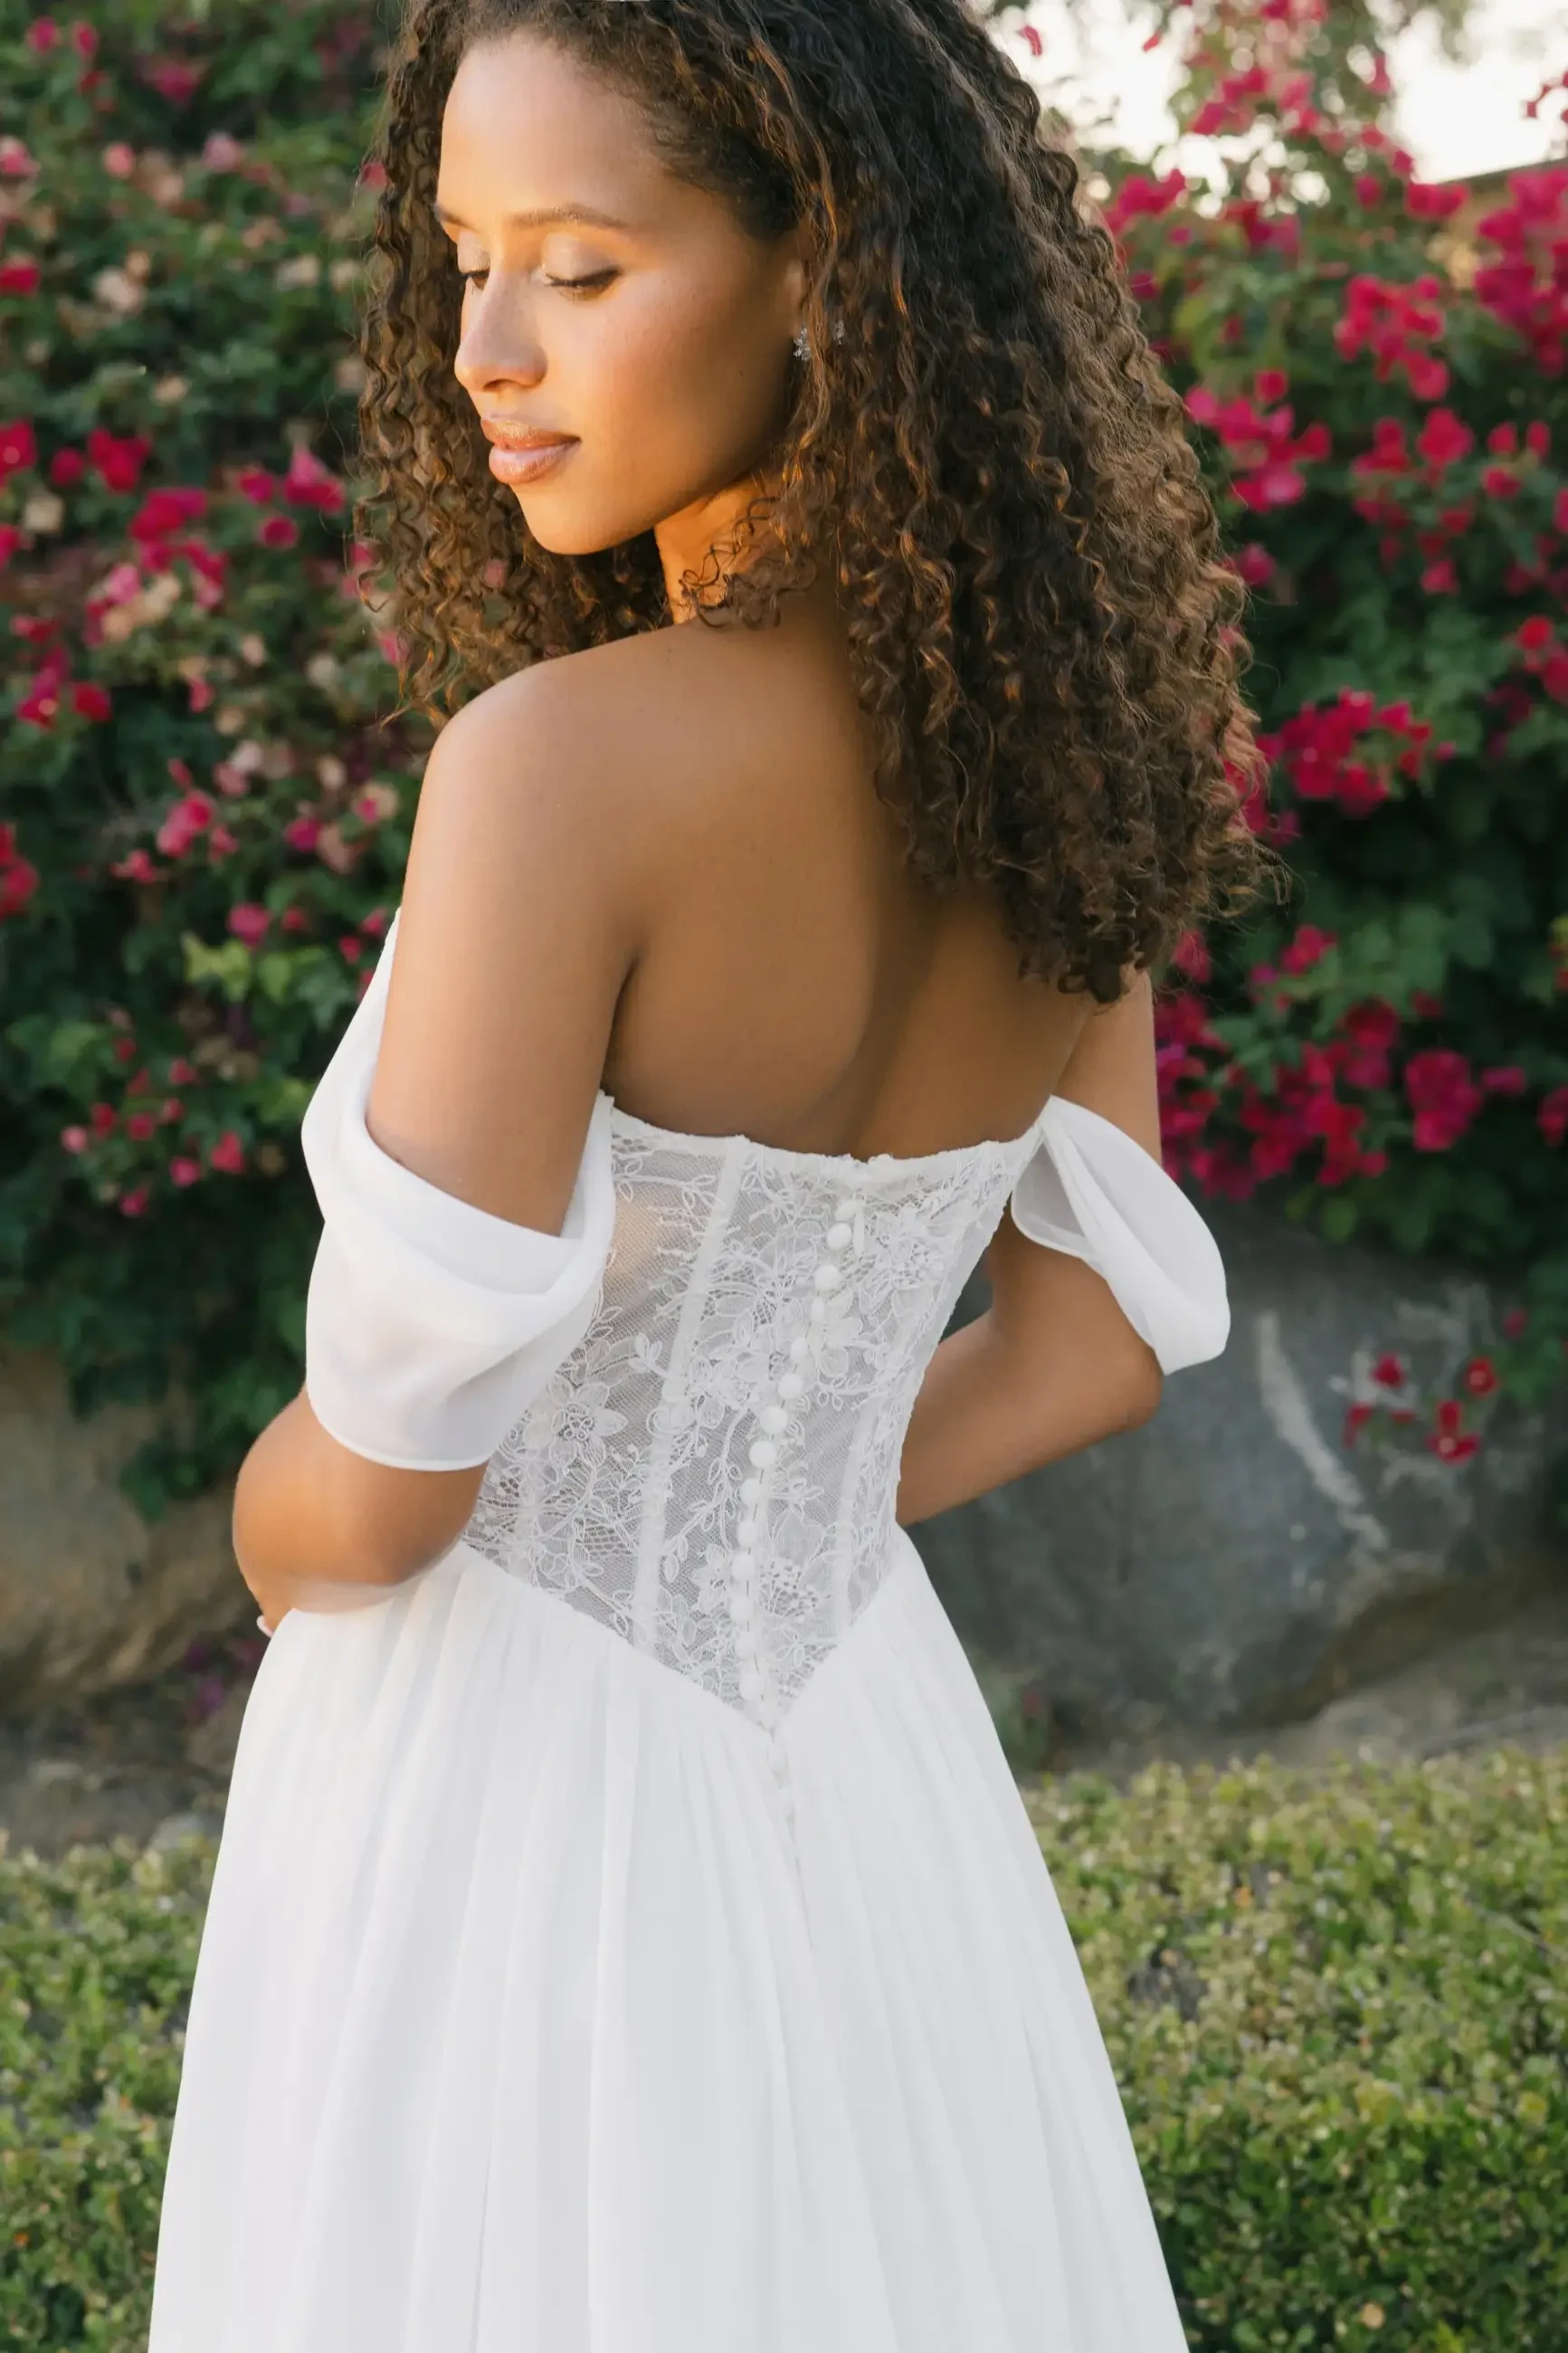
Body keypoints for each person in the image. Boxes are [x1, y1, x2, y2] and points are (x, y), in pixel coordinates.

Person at [147, 0, 1266, 2344]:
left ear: (820, 273)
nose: (479, 346)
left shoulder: (557, 766)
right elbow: (1087, 1352)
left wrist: (267, 1518)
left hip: (497, 1771)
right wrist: (765, 1516)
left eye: (573, 263)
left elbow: (384, 1493)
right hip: (851, 1736)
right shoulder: (1060, 755)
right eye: (458, 256)